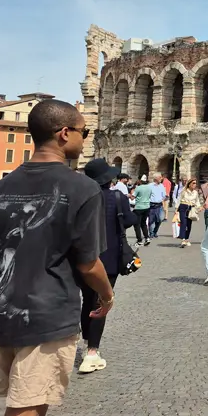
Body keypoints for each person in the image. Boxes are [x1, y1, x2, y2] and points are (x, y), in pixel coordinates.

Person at [0, 99, 115, 416]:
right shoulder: (82, 188)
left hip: (0, 312)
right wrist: (107, 295)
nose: (86, 139)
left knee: (32, 405)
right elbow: (88, 263)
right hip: (46, 313)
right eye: (85, 132)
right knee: (23, 412)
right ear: (64, 133)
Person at [79, 158, 137, 374]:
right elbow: (131, 220)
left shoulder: (82, 198)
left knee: (88, 300)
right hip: (110, 258)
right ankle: (92, 352)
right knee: (102, 302)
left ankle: (86, 342)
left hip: (84, 257)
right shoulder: (117, 197)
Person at [177, 178, 203, 248]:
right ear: (189, 184)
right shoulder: (184, 191)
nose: (195, 185)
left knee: (189, 225)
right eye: (193, 183)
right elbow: (179, 199)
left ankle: (186, 238)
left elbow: (197, 200)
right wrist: (176, 209)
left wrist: (199, 207)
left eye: (195, 183)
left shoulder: (195, 192)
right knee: (183, 223)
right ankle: (183, 239)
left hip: (191, 208)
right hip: (183, 207)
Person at [132, 175, 152, 246]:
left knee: (137, 224)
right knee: (143, 223)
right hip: (147, 206)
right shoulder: (149, 188)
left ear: (140, 180)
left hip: (139, 207)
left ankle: (139, 240)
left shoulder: (138, 188)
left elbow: (132, 197)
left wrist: (128, 195)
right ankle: (147, 237)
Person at [147, 173, 168, 239]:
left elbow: (164, 195)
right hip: (151, 205)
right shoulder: (149, 186)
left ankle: (155, 231)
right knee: (151, 220)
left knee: (160, 219)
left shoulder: (162, 186)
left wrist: (166, 197)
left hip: (159, 205)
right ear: (156, 178)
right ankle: (151, 233)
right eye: (160, 177)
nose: (161, 179)